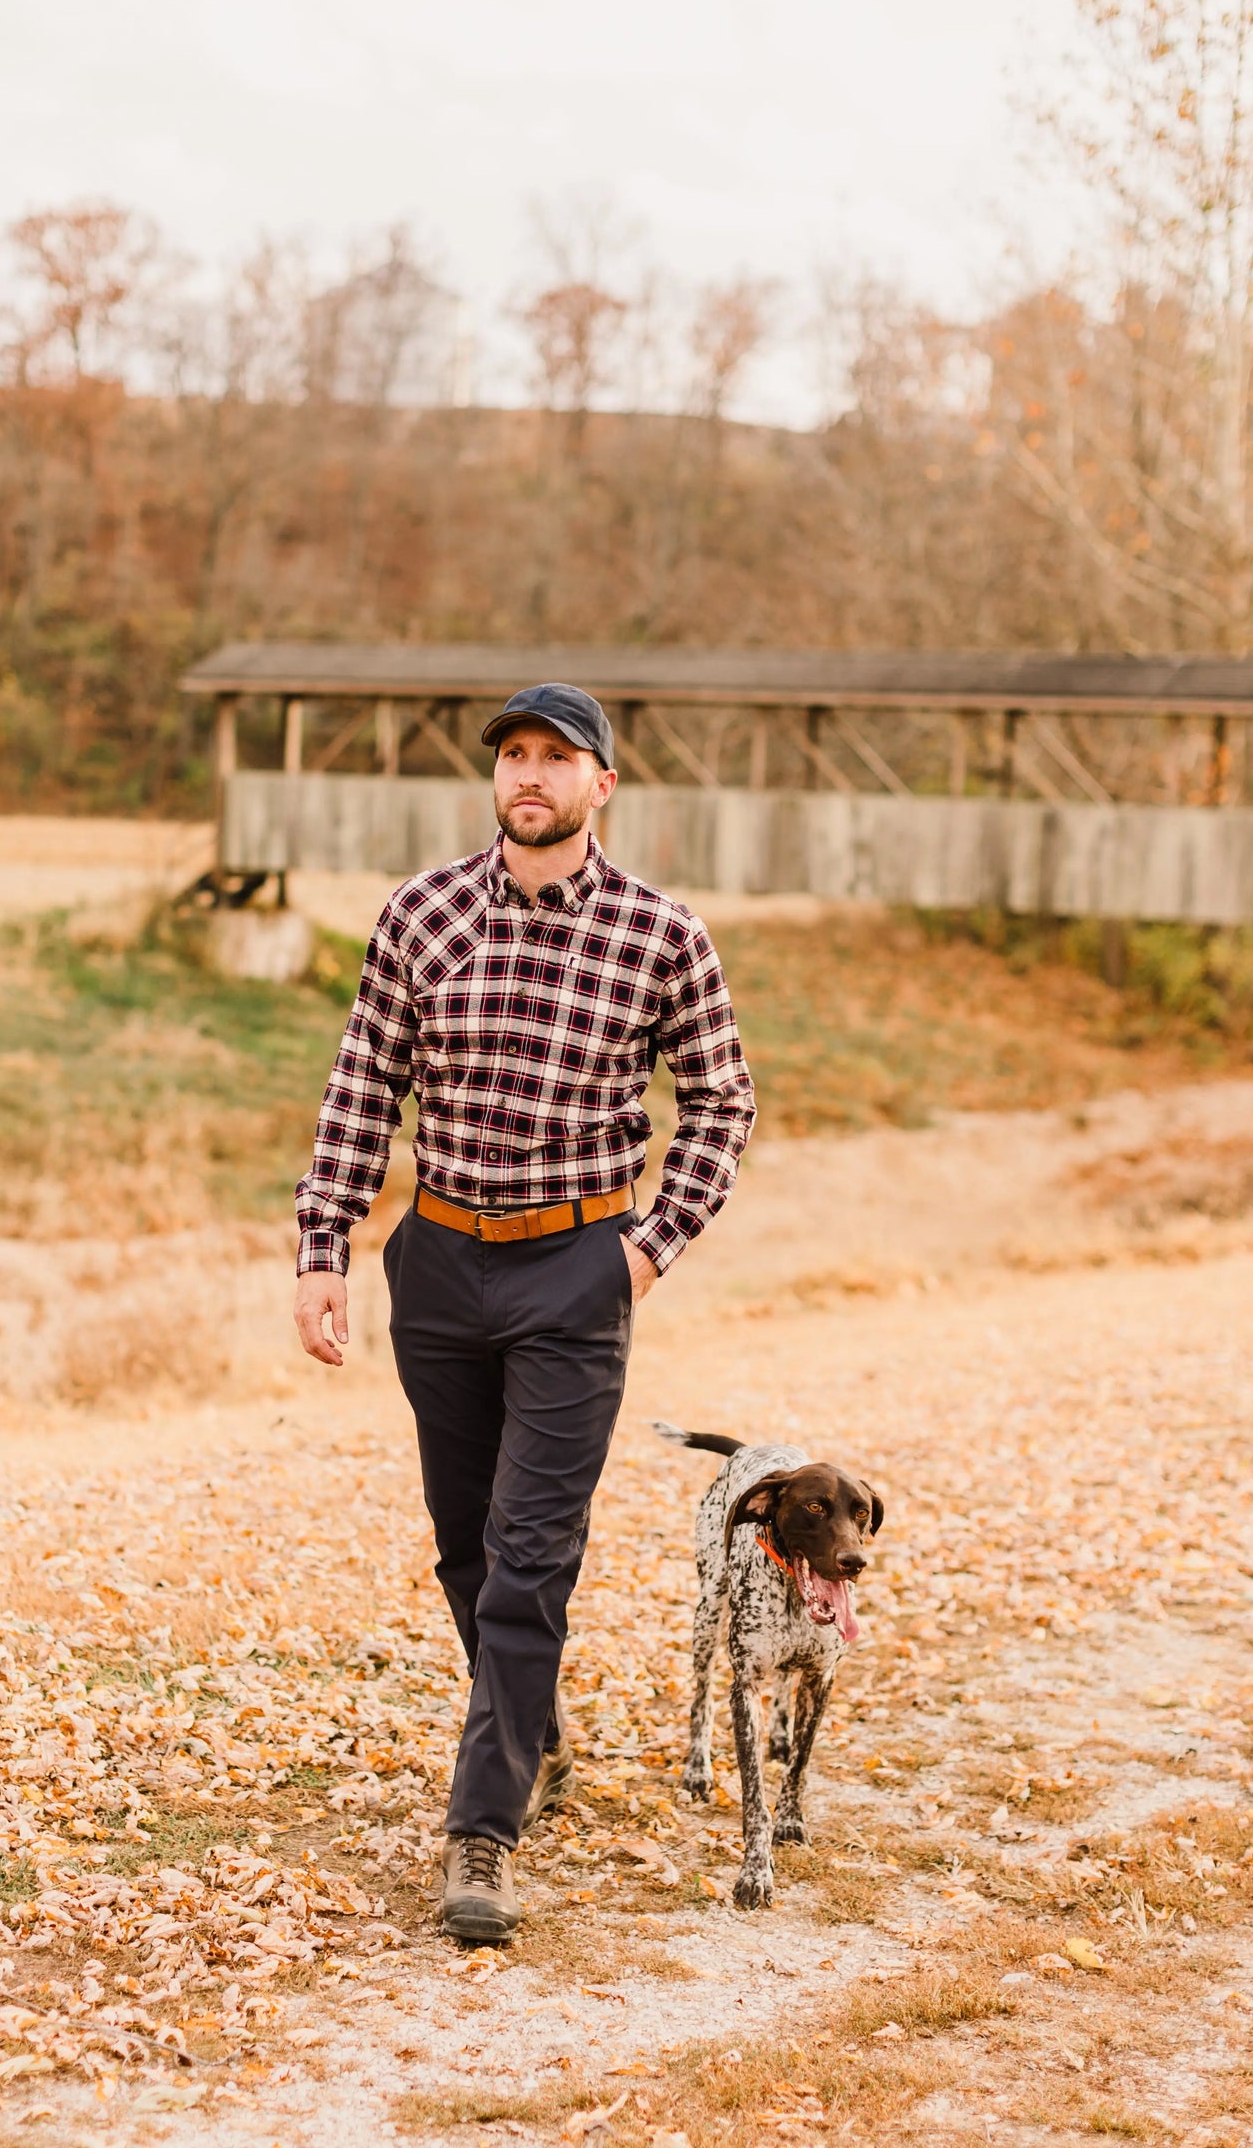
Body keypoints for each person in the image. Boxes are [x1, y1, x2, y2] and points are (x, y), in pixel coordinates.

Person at [293, 682, 755, 1941]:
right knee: (464, 1538)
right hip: (438, 1258)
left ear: (602, 784)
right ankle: (532, 1724)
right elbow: (359, 1086)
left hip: (576, 1270)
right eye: (513, 755)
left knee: (532, 1547)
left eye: (558, 756)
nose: (531, 774)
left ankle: (480, 1832)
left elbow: (721, 1109)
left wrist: (642, 1254)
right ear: (493, 777)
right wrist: (322, 1242)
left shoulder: (663, 933)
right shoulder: (421, 911)